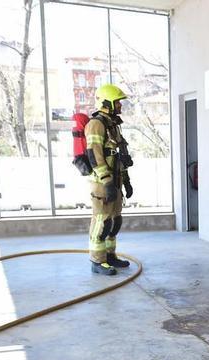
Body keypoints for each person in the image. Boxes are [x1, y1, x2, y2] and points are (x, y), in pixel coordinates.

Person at [86, 83, 134, 275]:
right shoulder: (96, 125)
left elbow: (120, 155)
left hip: (116, 181)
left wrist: (127, 181)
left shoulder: (114, 125)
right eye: (118, 102)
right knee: (102, 222)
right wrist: (106, 181)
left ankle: (110, 256)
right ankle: (97, 261)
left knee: (115, 221)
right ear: (106, 103)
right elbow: (95, 155)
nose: (120, 106)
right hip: (102, 183)